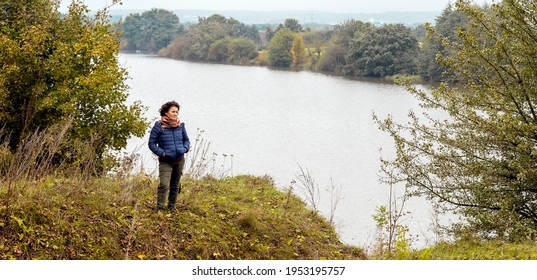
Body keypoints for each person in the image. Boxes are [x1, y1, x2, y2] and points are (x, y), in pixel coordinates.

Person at [148, 100, 190, 212]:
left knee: (175, 185)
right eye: (173, 111)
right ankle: (160, 209)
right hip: (166, 161)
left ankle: (171, 208)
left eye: (177, 112)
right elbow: (151, 143)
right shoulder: (159, 126)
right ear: (166, 112)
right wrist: (163, 153)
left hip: (179, 160)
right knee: (164, 184)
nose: (175, 114)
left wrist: (184, 149)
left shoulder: (180, 125)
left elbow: (186, 140)